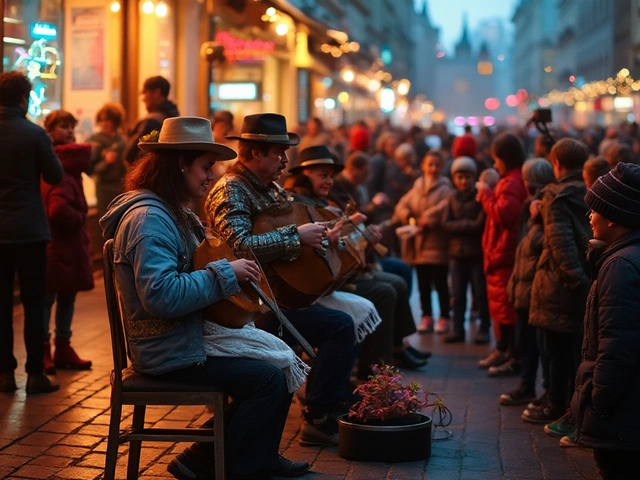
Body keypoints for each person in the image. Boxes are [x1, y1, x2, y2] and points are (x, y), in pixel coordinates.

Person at [100, 116, 307, 480]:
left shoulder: (171, 211)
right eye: (205, 167)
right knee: (268, 379)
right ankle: (242, 468)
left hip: (183, 335)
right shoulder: (150, 219)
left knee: (276, 356)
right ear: (180, 164)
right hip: (168, 347)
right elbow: (161, 296)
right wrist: (227, 273)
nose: (211, 176)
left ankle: (213, 460)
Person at [205, 113, 357, 448]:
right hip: (245, 307)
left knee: (340, 323)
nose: (286, 160)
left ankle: (321, 408)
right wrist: (296, 236)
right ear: (256, 152)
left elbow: (295, 225)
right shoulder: (231, 190)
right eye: (278, 152)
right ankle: (318, 415)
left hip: (274, 296)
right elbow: (239, 247)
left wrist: (328, 234)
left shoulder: (269, 188)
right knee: (339, 326)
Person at [286, 146, 429, 375]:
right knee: (387, 290)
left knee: (397, 278)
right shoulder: (297, 205)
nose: (329, 181)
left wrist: (357, 238)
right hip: (314, 289)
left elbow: (341, 247)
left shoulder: (322, 202)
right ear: (304, 175)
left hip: (334, 278)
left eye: (331, 176)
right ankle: (375, 369)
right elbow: (302, 255)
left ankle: (388, 356)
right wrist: (335, 240)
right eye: (323, 175)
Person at [571, 163, 640, 478]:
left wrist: (598, 401)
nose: (589, 216)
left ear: (613, 216)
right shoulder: (624, 257)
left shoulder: (620, 267)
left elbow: (617, 344)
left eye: (595, 209)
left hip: (622, 411)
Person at [0, 71, 63, 394]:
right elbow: (55, 175)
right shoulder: (35, 134)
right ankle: (35, 374)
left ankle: (4, 374)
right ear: (24, 99)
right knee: (34, 303)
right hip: (29, 230)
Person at [524, 138, 591, 431]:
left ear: (557, 164)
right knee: (574, 348)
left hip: (558, 283)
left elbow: (559, 241)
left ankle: (557, 403)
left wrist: (574, 277)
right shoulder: (588, 190)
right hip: (581, 279)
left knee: (555, 348)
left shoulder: (556, 195)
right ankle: (563, 402)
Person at [41, 110, 94, 374]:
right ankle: (45, 351)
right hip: (56, 245)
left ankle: (61, 347)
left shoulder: (65, 164)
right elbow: (57, 209)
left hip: (63, 246)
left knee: (64, 297)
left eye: (72, 126)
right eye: (63, 126)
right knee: (49, 298)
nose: (70, 131)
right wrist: (79, 217)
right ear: (49, 132)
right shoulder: (59, 166)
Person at [499, 159, 555, 404]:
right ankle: (528, 384)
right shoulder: (528, 205)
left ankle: (541, 388)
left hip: (535, 281)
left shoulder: (547, 205)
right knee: (526, 338)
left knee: (538, 342)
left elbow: (536, 242)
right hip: (524, 278)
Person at [476, 132, 527, 370]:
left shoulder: (511, 182)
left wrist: (485, 193)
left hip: (505, 253)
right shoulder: (511, 179)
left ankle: (512, 354)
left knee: (506, 308)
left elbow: (505, 214)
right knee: (500, 306)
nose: (494, 164)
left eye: (496, 159)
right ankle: (504, 350)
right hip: (501, 253)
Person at [395, 150, 453, 334]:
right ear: (423, 166)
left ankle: (445, 316)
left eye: (437, 165)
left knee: (441, 282)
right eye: (430, 164)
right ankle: (426, 315)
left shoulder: (445, 188)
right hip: (419, 247)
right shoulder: (417, 186)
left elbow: (444, 207)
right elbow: (402, 205)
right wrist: (409, 217)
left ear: (442, 167)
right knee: (423, 284)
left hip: (437, 245)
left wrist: (427, 219)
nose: (433, 168)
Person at [440, 156, 490, 345]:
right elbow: (445, 223)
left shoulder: (479, 196)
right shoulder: (452, 197)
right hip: (456, 255)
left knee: (480, 294)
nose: (463, 181)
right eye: (459, 177)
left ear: (473, 177)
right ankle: (457, 329)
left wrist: (459, 226)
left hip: (476, 254)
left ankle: (484, 328)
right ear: (454, 178)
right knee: (458, 294)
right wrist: (467, 226)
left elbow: (480, 224)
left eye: (467, 177)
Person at [123, 76, 179, 166]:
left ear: (156, 92)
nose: (143, 99)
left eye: (145, 93)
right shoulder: (175, 119)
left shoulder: (151, 121)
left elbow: (130, 155)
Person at [88, 102, 126, 218]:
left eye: (108, 120)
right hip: (104, 188)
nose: (104, 123)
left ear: (115, 122)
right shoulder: (95, 140)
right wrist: (106, 162)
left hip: (122, 186)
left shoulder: (122, 139)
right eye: (102, 120)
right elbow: (90, 170)